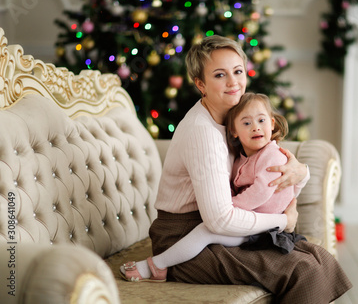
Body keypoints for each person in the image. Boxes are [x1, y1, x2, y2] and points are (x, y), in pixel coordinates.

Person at [124, 35, 351, 302]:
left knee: (316, 256)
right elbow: (219, 219)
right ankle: (161, 265)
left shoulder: (238, 120)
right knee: (302, 269)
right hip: (183, 237)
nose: (233, 82)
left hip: (220, 225)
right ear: (201, 84)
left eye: (238, 71)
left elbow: (270, 159)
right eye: (220, 75)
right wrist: (282, 221)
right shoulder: (203, 133)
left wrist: (301, 171)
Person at [120, 93, 307, 281]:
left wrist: (230, 206)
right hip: (254, 222)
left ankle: (155, 266)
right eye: (246, 123)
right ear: (234, 130)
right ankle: (161, 265)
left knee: (206, 232)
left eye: (261, 120)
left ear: (272, 124)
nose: (256, 127)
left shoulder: (272, 155)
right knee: (208, 232)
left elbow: (260, 192)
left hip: (264, 229)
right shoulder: (241, 157)